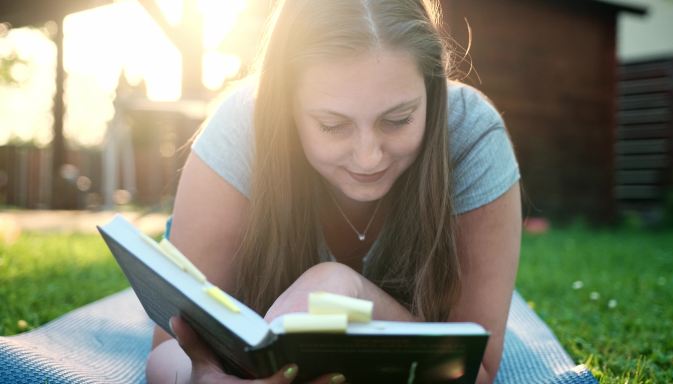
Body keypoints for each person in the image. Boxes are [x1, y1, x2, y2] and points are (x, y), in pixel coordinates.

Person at [146, 0, 521, 383]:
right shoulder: (239, 133)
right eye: (331, 125)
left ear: (432, 88)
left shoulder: (472, 136)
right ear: (287, 103)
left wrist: (349, 290)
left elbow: (477, 370)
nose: (368, 157)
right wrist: (204, 378)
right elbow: (167, 346)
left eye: (398, 119)